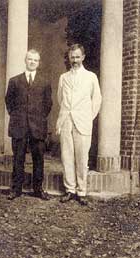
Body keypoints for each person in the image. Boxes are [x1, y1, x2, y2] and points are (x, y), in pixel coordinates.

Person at [56, 44, 101, 205]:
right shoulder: (64, 77)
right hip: (66, 120)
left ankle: (81, 191)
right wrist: (67, 114)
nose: (74, 60)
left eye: (77, 57)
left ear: (83, 57)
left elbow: (97, 100)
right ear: (69, 58)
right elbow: (60, 99)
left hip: (83, 122)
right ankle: (70, 190)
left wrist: (88, 117)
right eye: (72, 57)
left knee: (82, 158)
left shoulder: (91, 77)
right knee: (67, 156)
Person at [5, 49, 52, 200]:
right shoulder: (14, 81)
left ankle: (38, 189)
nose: (32, 62)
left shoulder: (44, 82)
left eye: (35, 60)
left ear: (38, 63)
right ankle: (16, 189)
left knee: (38, 159)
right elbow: (9, 102)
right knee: (18, 158)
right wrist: (18, 117)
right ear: (25, 61)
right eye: (30, 59)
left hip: (37, 127)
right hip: (19, 126)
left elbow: (48, 105)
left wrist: (38, 118)